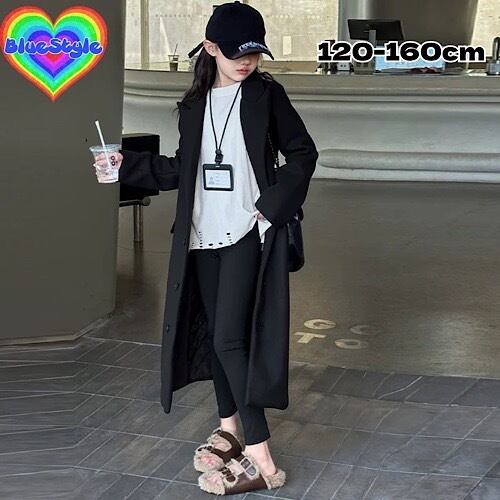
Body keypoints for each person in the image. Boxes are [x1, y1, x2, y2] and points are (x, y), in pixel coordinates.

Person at [93, 1, 318, 495]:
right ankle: (230, 429)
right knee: (217, 335)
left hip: (245, 233)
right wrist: (127, 164)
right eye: (238, 53)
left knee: (230, 341)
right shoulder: (194, 105)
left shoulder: (267, 95)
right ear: (211, 48)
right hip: (199, 234)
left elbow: (303, 153)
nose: (248, 62)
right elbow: (183, 168)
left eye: (255, 53)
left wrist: (270, 206)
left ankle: (261, 458)